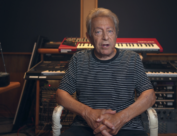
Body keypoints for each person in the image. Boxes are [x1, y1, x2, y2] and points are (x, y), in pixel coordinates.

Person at [56, 8, 156, 136]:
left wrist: (120, 118)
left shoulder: (132, 59)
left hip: (127, 127)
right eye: (98, 32)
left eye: (110, 31)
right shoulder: (78, 59)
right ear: (89, 37)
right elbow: (60, 94)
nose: (105, 37)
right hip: (84, 127)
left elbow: (150, 95)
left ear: (116, 34)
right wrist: (88, 113)